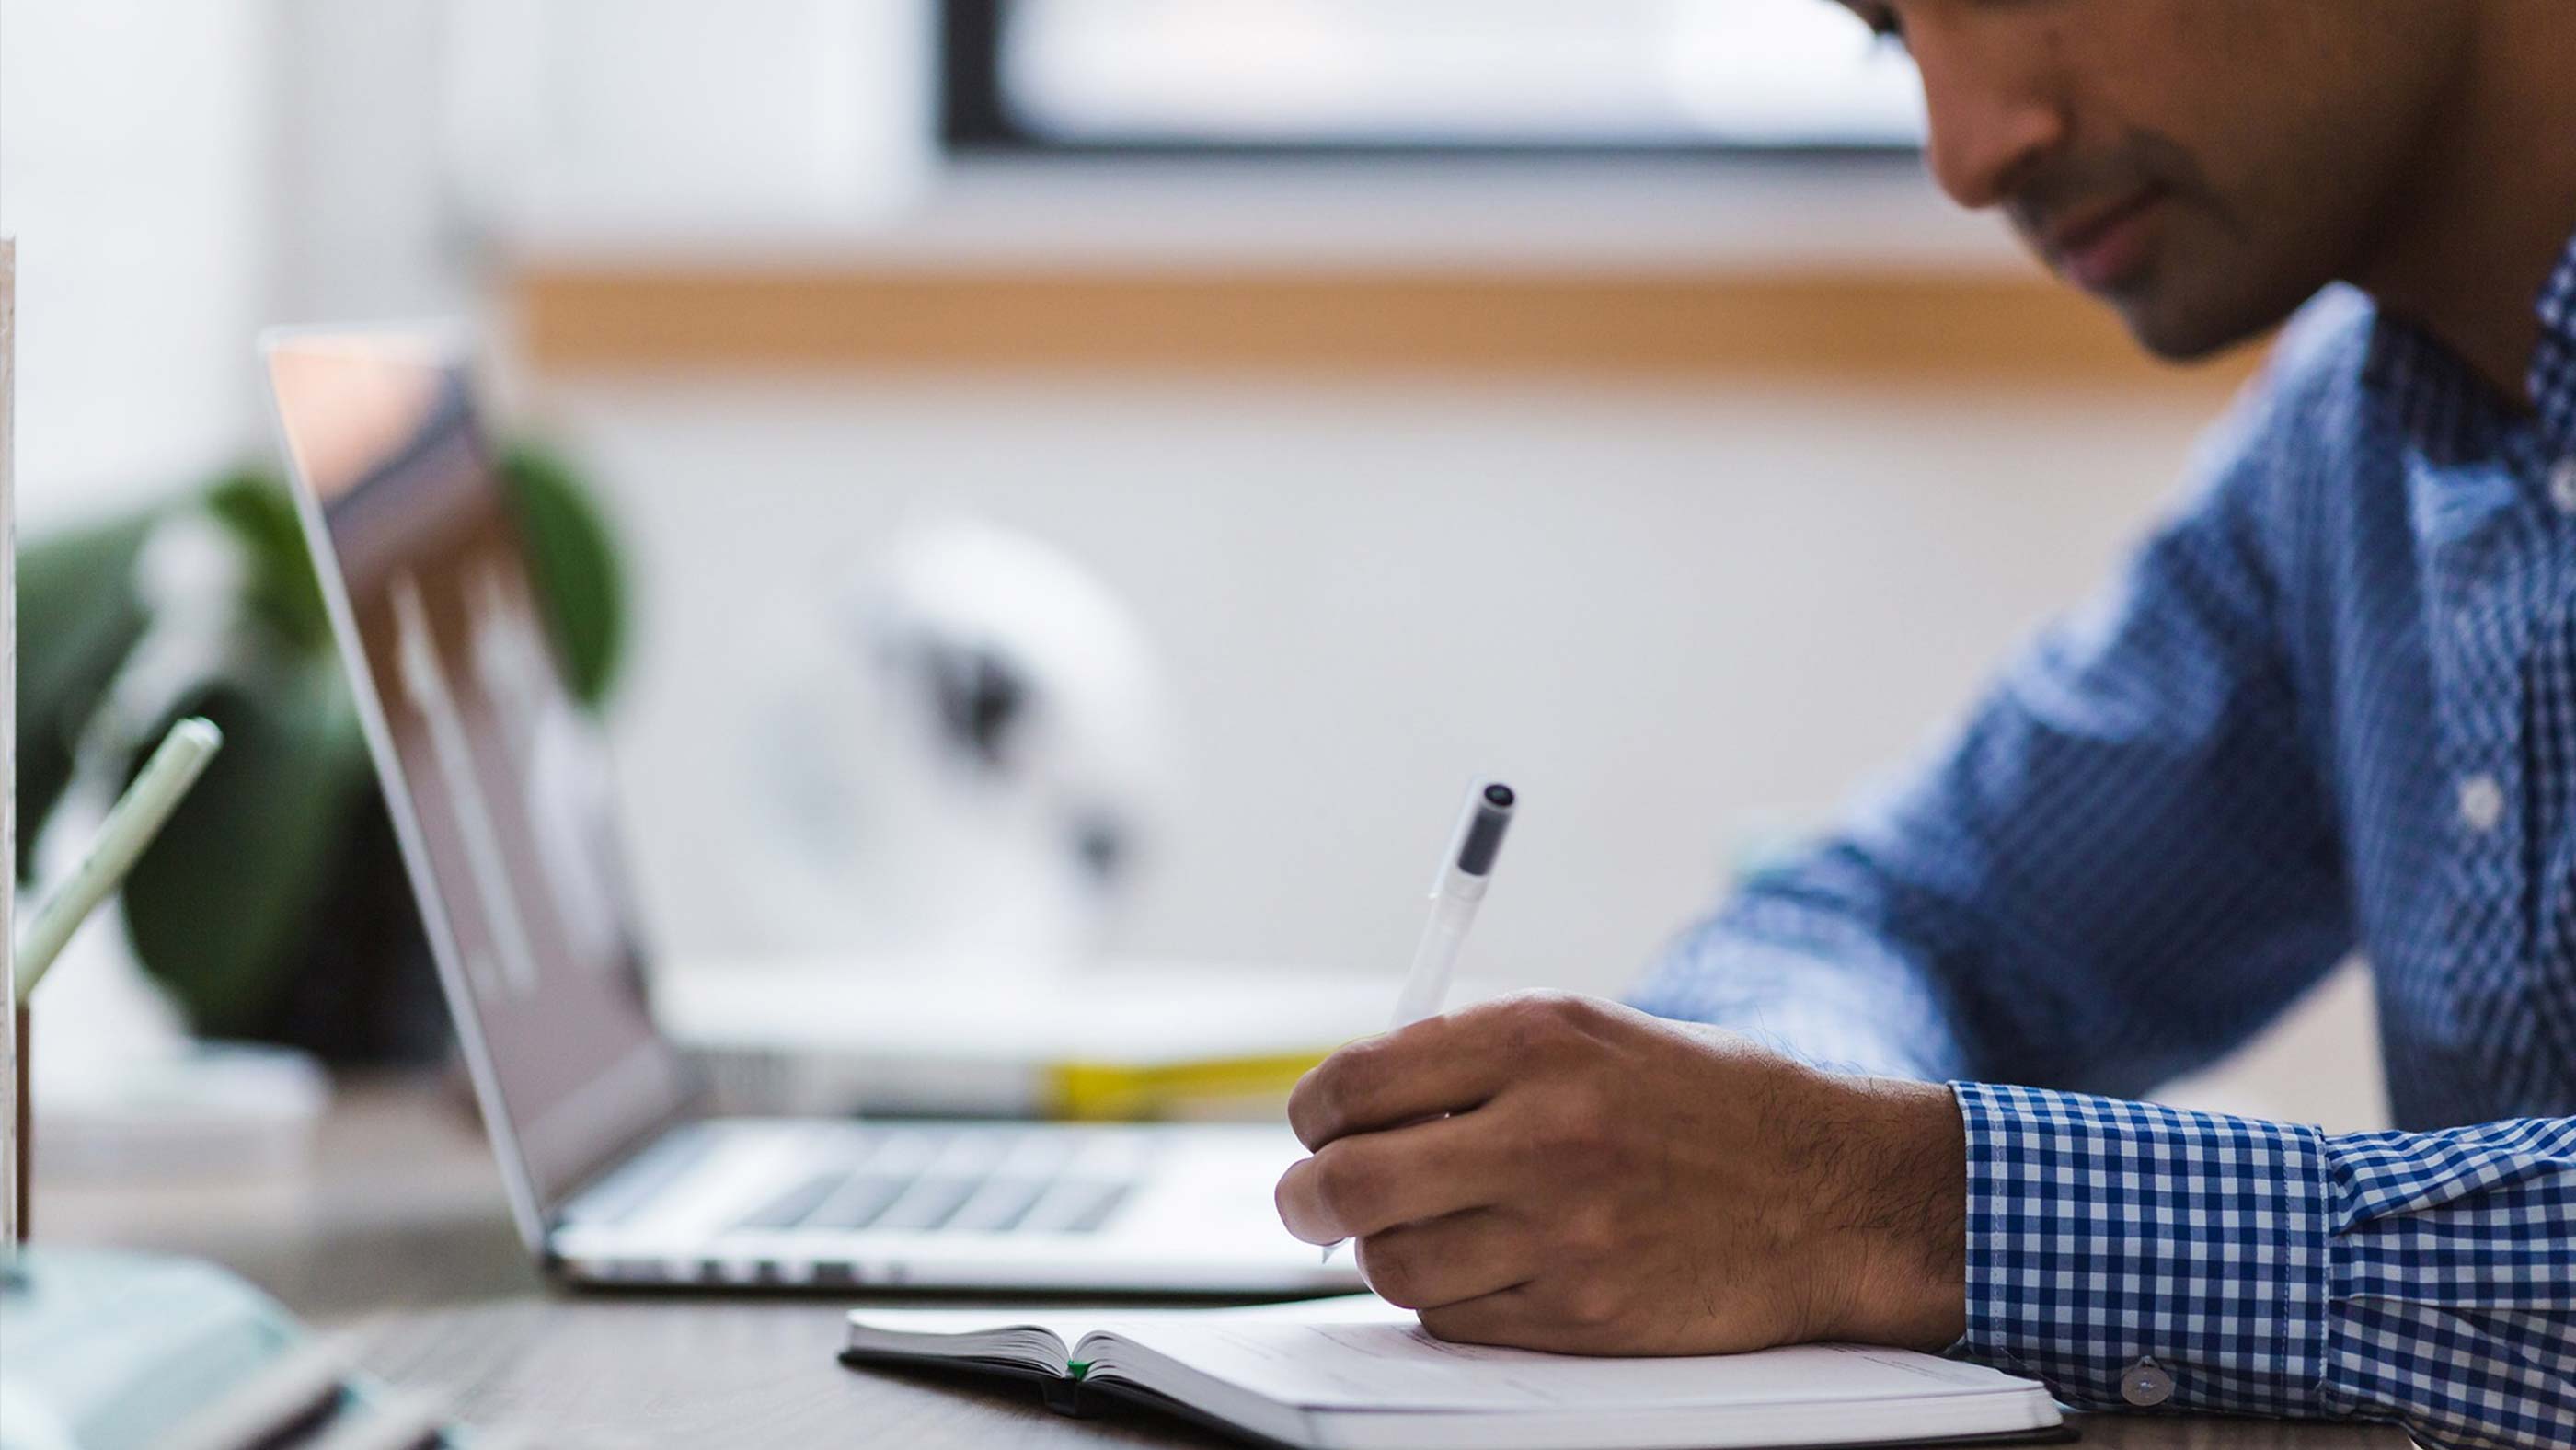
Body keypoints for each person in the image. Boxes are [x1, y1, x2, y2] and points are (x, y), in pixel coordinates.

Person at [1270, 4, 2576, 1446]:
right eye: (1895, 36)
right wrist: (1747, 1143)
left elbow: (1875, 1168)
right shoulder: (2353, 439)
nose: (1966, 154)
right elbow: (1905, 919)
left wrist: (1895, 1204)